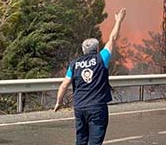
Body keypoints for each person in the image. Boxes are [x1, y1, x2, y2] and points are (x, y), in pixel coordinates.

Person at [54, 8, 126, 145]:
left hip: (80, 108)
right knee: (95, 142)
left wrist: (59, 102)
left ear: (83, 50)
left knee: (81, 140)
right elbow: (113, 39)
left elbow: (64, 85)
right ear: (97, 49)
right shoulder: (101, 58)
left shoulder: (74, 64)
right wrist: (118, 21)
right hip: (97, 108)